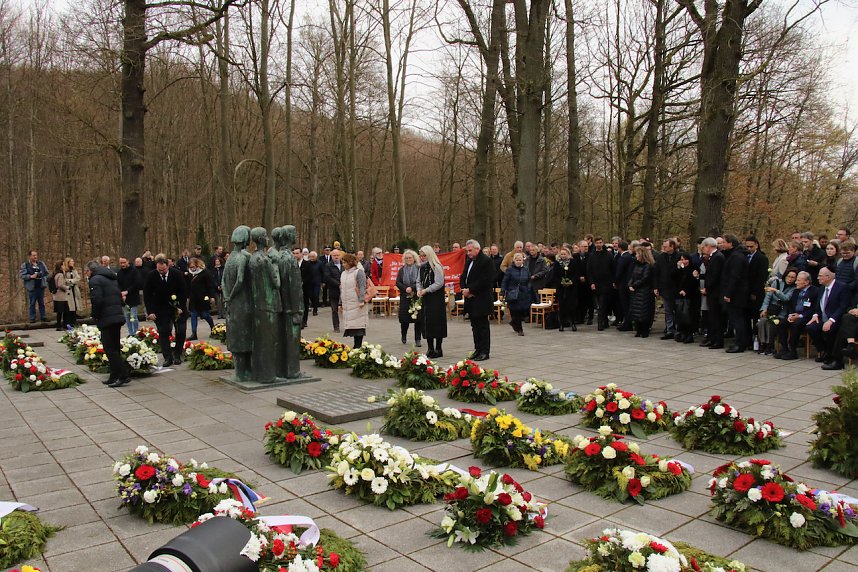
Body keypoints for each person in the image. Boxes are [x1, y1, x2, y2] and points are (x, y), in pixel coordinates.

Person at [86, 259, 131, 388]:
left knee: (110, 348)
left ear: (90, 271)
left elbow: (97, 300)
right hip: (116, 315)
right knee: (115, 347)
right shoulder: (110, 278)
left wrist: (95, 315)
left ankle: (122, 374)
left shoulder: (95, 280)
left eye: (87, 271)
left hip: (107, 317)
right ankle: (114, 374)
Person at [144, 253, 189, 366]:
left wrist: (180, 306)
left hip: (177, 307)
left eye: (163, 270)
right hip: (160, 308)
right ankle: (167, 357)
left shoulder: (176, 274)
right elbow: (147, 295)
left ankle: (177, 355)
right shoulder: (151, 276)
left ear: (168, 265)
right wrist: (150, 311)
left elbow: (183, 291)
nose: (162, 272)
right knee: (163, 332)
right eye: (159, 270)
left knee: (181, 331)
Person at [806, 267, 852, 369]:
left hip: (836, 319)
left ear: (828, 277)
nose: (818, 278)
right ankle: (825, 350)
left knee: (831, 330)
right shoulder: (822, 288)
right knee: (811, 327)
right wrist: (815, 315)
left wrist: (831, 320)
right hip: (823, 317)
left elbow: (843, 306)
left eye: (820, 276)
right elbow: (819, 304)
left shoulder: (842, 287)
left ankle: (833, 356)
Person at [460, 239, 494, 360]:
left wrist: (471, 290)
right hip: (470, 299)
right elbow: (464, 276)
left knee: (482, 326)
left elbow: (486, 280)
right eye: (467, 251)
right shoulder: (469, 260)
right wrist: (464, 289)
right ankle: (477, 349)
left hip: (481, 299)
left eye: (470, 250)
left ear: (477, 249)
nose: (468, 253)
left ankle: (485, 351)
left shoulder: (486, 261)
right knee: (474, 326)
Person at [720, 234, 751, 353]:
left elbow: (734, 277)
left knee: (737, 319)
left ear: (731, 243)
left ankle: (740, 343)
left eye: (724, 242)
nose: (722, 244)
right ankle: (741, 341)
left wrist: (728, 293)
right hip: (738, 292)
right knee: (738, 318)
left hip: (737, 294)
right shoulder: (735, 255)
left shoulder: (737, 257)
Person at [758, 268, 798, 355]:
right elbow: (768, 297)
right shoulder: (776, 282)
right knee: (762, 321)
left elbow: (786, 298)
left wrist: (776, 291)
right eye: (788, 276)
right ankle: (762, 343)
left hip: (782, 311)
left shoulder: (794, 288)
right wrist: (764, 308)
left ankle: (770, 345)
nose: (790, 279)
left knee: (772, 323)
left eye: (793, 278)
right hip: (771, 309)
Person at [417, 245, 448, 358]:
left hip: (436, 299)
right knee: (427, 322)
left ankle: (438, 348)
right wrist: (419, 289)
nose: (422, 258)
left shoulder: (437, 266)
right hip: (426, 299)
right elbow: (418, 281)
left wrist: (427, 290)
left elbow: (439, 283)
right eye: (421, 256)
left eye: (424, 256)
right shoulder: (422, 267)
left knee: (437, 322)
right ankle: (430, 348)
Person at [699, 237, 725, 349]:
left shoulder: (717, 257)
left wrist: (707, 288)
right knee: (712, 317)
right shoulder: (713, 257)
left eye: (704, 247)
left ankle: (717, 340)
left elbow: (715, 276)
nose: (703, 249)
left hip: (715, 292)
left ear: (708, 246)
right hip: (712, 292)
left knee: (716, 317)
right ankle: (712, 338)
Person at [339, 252, 368, 348]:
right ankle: (356, 346)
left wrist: (361, 300)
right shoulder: (343, 274)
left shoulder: (359, 272)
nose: (343, 265)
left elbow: (362, 287)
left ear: (350, 262)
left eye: (345, 262)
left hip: (357, 303)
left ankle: (357, 346)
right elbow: (342, 289)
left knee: (358, 325)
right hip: (347, 303)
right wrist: (340, 303)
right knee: (351, 325)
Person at [653, 239, 681, 339]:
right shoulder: (661, 257)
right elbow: (656, 272)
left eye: (666, 246)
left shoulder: (680, 256)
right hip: (665, 287)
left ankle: (678, 330)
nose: (663, 248)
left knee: (678, 310)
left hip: (677, 288)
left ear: (672, 247)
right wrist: (655, 287)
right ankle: (670, 329)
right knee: (668, 310)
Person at [501, 252, 532, 336]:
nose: (518, 262)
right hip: (512, 293)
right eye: (517, 260)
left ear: (523, 261)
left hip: (523, 293)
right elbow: (505, 282)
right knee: (515, 311)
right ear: (514, 261)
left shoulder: (526, 269)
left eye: (520, 260)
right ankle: (520, 329)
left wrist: (528, 288)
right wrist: (502, 293)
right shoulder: (510, 270)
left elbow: (529, 280)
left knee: (522, 310)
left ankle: (514, 323)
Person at [395, 249, 422, 347]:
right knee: (404, 319)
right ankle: (404, 335)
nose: (408, 259)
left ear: (414, 258)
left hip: (416, 297)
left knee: (418, 319)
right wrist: (405, 288)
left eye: (410, 258)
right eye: (406, 258)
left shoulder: (419, 269)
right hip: (405, 297)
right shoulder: (402, 270)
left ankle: (418, 339)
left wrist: (412, 288)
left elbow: (421, 281)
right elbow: (398, 282)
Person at [628, 245, 655, 338]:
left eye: (637, 254)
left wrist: (634, 285)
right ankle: (638, 330)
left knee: (644, 312)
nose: (636, 256)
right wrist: (630, 284)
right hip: (636, 291)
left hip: (644, 291)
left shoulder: (648, 266)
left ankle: (644, 330)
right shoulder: (636, 264)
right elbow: (632, 276)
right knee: (636, 311)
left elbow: (645, 278)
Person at [187, 258, 217, 340]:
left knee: (205, 315)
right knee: (193, 315)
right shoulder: (189, 274)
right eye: (190, 267)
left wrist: (211, 296)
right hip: (193, 298)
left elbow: (210, 285)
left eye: (193, 267)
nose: (192, 269)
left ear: (197, 265)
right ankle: (194, 333)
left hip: (203, 297)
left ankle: (213, 328)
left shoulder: (204, 273)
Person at [551, 246, 579, 331]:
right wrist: (561, 282)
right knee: (562, 306)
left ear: (568, 254)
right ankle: (561, 324)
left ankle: (573, 323)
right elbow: (554, 275)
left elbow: (576, 273)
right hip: (561, 287)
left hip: (571, 287)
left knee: (572, 306)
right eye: (561, 254)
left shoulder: (573, 262)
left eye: (564, 254)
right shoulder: (557, 263)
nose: (563, 256)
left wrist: (571, 281)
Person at [675, 252, 700, 344]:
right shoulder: (681, 269)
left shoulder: (694, 268)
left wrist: (686, 290)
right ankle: (682, 333)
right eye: (682, 260)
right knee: (681, 315)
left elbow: (694, 282)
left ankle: (690, 334)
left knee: (690, 315)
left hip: (691, 295)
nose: (684, 261)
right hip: (680, 295)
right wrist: (678, 267)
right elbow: (674, 278)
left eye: (685, 259)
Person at [19, 250, 49, 323]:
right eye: (34, 255)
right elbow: (22, 275)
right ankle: (32, 318)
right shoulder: (25, 265)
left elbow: (46, 273)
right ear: (30, 256)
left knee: (41, 303)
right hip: (32, 287)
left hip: (41, 286)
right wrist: (31, 276)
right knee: (32, 303)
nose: (35, 257)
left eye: (36, 255)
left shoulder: (41, 263)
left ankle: (43, 317)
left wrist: (43, 277)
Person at [117, 257, 142, 336]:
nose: (122, 264)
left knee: (133, 317)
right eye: (121, 263)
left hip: (133, 297)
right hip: (124, 298)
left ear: (127, 261)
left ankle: (135, 332)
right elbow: (118, 284)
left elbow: (137, 283)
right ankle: (130, 333)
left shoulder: (134, 271)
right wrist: (121, 293)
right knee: (127, 317)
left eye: (124, 262)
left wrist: (127, 291)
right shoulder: (119, 273)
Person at [58, 257, 82, 328]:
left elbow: (78, 278)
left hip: (74, 289)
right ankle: (67, 323)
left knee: (74, 306)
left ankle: (74, 322)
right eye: (72, 261)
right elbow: (64, 280)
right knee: (68, 307)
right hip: (68, 291)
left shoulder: (74, 270)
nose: (73, 262)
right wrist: (70, 281)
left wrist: (72, 281)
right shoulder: (64, 271)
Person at [323, 249, 344, 332]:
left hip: (344, 290)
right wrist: (338, 284)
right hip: (333, 290)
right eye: (334, 255)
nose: (336, 257)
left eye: (337, 255)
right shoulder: (328, 266)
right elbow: (328, 277)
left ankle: (348, 325)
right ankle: (336, 326)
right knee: (334, 310)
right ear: (331, 256)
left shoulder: (344, 264)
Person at [51, 262, 68, 331]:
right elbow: (60, 284)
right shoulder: (60, 275)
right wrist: (67, 287)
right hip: (61, 296)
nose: (64, 266)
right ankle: (62, 325)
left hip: (56, 295)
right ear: (60, 266)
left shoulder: (55, 273)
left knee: (59, 312)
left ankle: (59, 325)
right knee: (63, 311)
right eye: (63, 265)